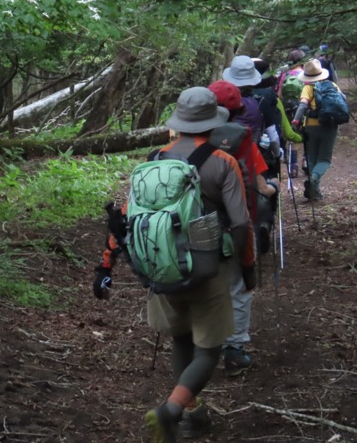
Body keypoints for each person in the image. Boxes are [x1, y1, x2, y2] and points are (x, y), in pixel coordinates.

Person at [95, 87, 253, 442]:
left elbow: (124, 218)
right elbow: (241, 222)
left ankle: (193, 414)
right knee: (210, 349)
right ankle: (170, 411)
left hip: (159, 265)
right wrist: (243, 265)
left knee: (181, 339)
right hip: (207, 267)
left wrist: (106, 265)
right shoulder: (222, 162)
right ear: (213, 125)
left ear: (178, 124)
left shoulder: (152, 160)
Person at [208, 80, 279, 377]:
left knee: (205, 284)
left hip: (196, 226)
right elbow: (260, 186)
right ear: (238, 108)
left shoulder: (188, 140)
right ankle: (234, 351)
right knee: (238, 286)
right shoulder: (243, 139)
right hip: (238, 224)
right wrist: (273, 188)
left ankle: (201, 349)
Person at [291, 59, 343, 200]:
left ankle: (314, 187)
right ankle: (315, 182)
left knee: (312, 158)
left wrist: (295, 121)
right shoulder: (332, 85)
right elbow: (342, 100)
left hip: (311, 126)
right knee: (325, 159)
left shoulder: (308, 88)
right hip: (330, 126)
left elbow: (302, 106)